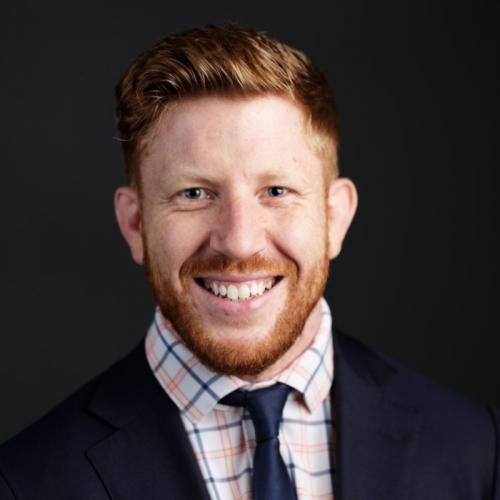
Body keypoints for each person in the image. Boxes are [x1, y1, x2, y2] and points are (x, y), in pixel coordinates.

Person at [0, 24, 498, 500]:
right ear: (135, 225)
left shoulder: (475, 449)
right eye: (195, 193)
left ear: (335, 218)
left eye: (276, 191)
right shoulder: (23, 484)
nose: (239, 243)